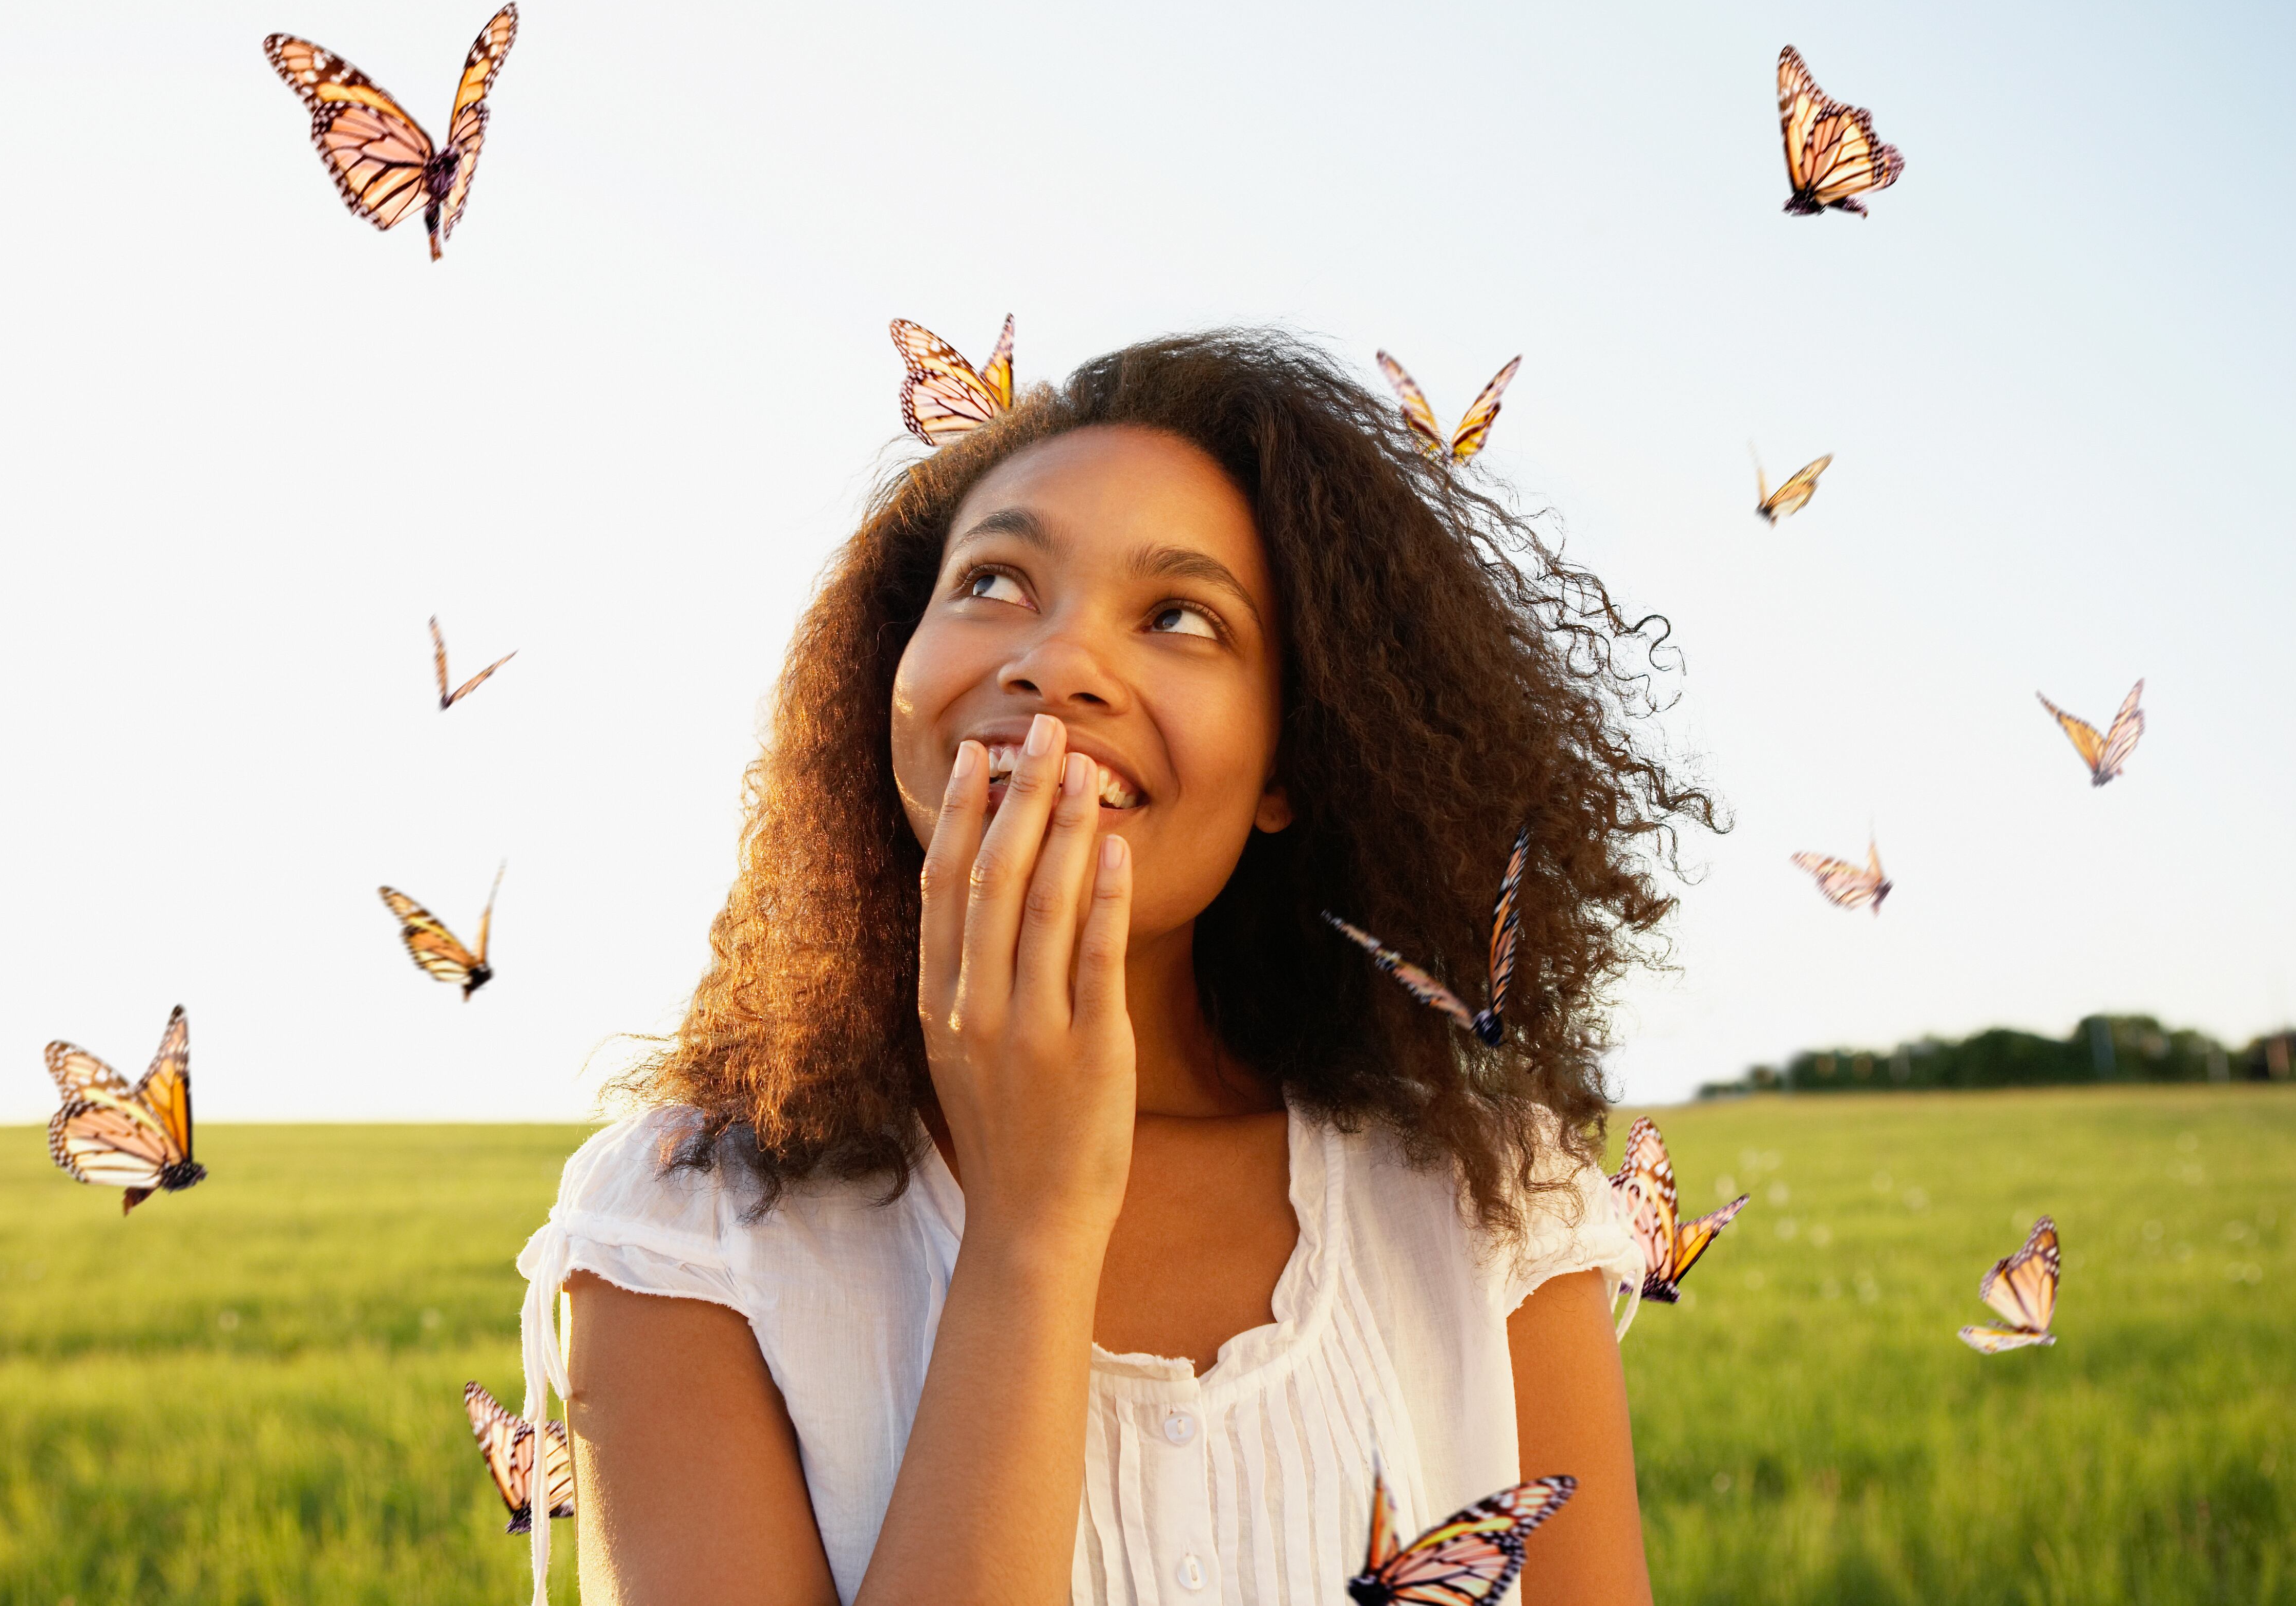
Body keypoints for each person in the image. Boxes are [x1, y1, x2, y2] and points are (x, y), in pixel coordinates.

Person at [513, 330, 1717, 1605]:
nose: (1056, 661)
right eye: (992, 581)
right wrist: (1029, 1232)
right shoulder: (686, 1224)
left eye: (1180, 616)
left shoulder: (1493, 1207)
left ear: (1291, 759)